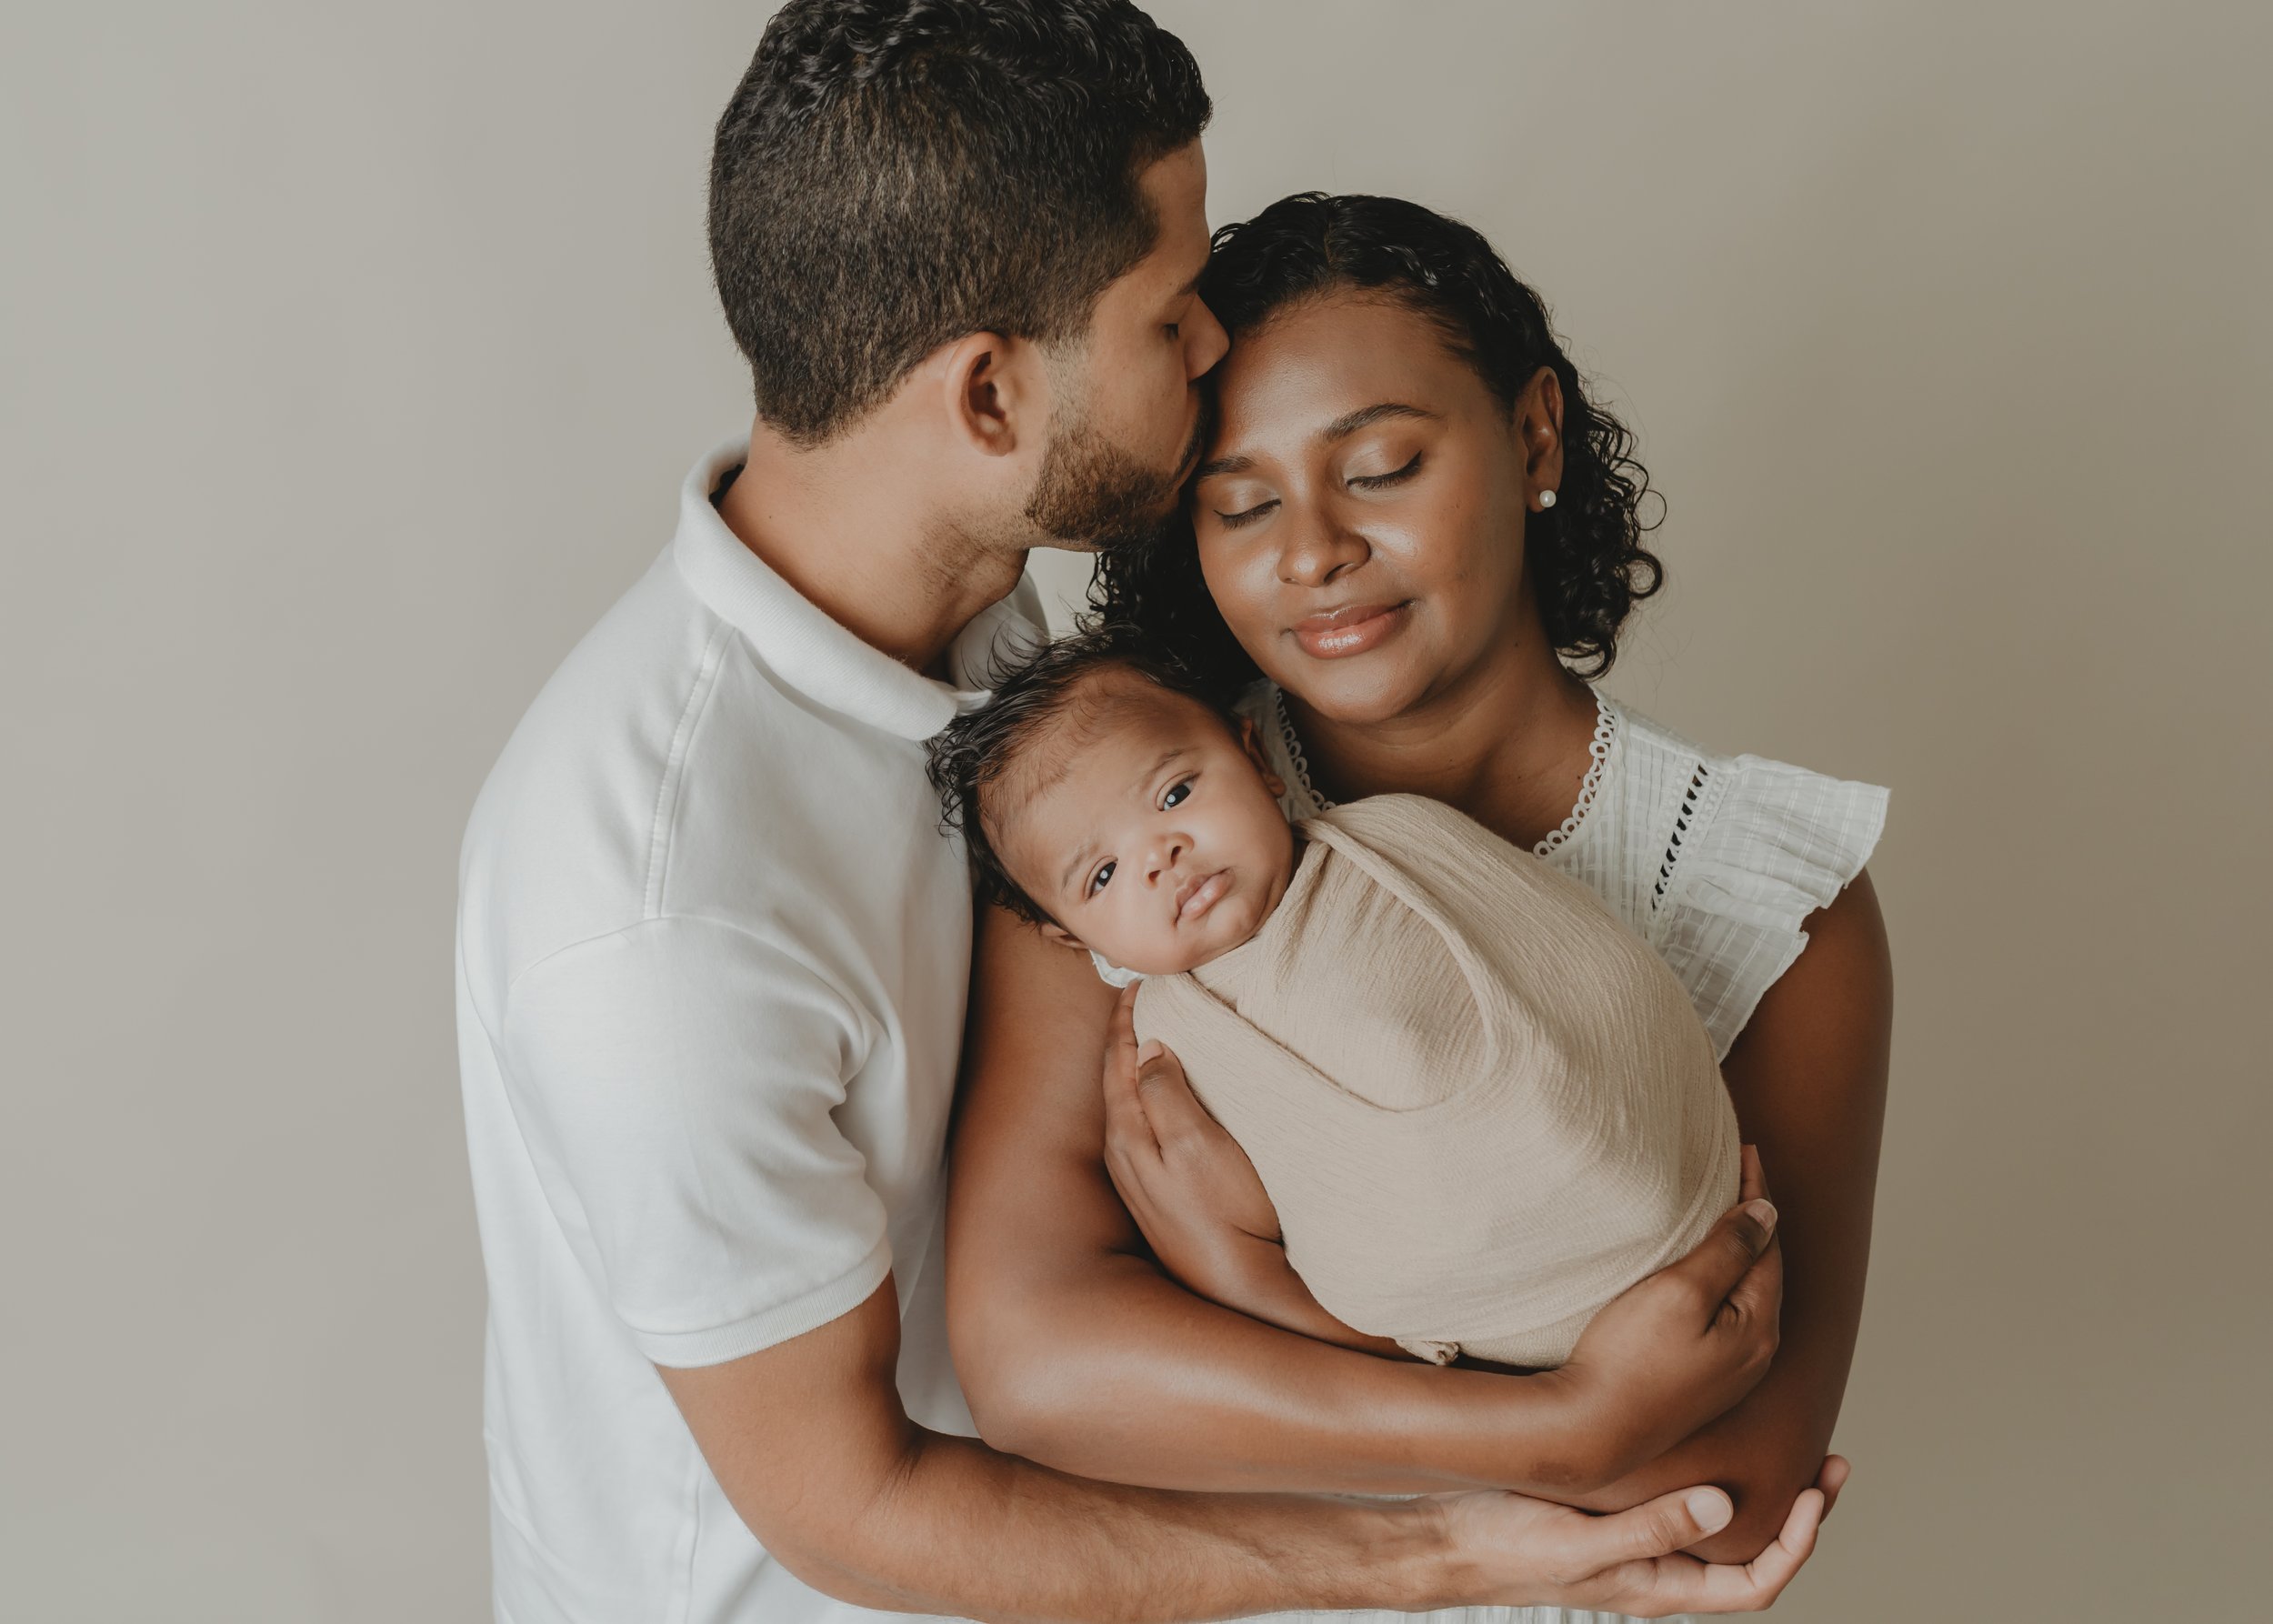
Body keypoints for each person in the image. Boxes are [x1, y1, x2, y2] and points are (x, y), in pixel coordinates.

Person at [454, 5, 1828, 1622]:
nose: (1208, 350)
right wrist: (1491, 1492)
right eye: (1170, 313)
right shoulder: (664, 910)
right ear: (987, 398)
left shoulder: (1032, 677)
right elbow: (853, 1507)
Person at [947, 191, 1887, 1623]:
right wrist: (1568, 1421)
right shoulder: (1132, 838)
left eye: (1379, 467)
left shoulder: (1773, 893)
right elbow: (1035, 1368)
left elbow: (1716, 1508)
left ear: (1533, 438)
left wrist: (1250, 1292)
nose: (1309, 549)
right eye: (1241, 502)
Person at [926, 630, 1753, 1375]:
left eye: (1175, 794)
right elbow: (1258, 1207)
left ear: (1255, 761)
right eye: (1101, 876)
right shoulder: (1169, 1044)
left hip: (1676, 1171)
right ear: (1075, 940)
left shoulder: (1401, 836)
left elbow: (1584, 965)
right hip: (1507, 1320)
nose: (1160, 857)